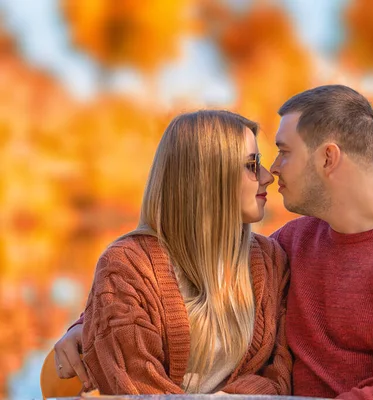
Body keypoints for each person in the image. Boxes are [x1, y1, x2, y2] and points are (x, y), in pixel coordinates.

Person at [55, 85, 373, 399]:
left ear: (328, 159)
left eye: (282, 152)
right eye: (258, 161)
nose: (272, 170)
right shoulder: (291, 245)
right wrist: (85, 326)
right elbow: (158, 277)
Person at [53, 110, 291, 395]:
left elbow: (279, 372)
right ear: (207, 175)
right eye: (252, 165)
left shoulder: (269, 260)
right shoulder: (128, 266)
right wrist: (87, 323)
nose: (267, 177)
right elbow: (136, 387)